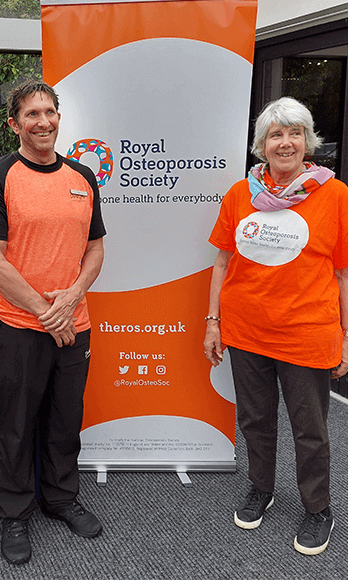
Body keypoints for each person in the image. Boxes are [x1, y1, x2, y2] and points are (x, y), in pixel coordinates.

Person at [204, 96, 348, 556]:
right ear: (261, 145)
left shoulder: (336, 194)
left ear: (307, 142)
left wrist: (347, 336)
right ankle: (260, 488)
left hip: (307, 331)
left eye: (294, 133)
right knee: (255, 420)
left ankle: (317, 508)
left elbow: (343, 273)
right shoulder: (240, 194)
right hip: (246, 331)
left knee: (310, 429)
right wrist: (213, 323)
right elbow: (222, 261)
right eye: (275, 134)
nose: (285, 143)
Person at [0, 80, 106, 565]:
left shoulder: (83, 177)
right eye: (31, 114)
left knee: (65, 419)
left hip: (75, 322)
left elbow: (95, 250)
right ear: (14, 124)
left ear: (59, 117)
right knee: (15, 423)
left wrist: (71, 298)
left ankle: (61, 498)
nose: (43, 121)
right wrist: (48, 313)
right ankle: (14, 512)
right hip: (19, 324)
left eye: (49, 112)